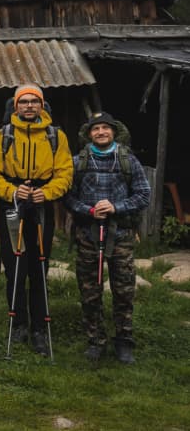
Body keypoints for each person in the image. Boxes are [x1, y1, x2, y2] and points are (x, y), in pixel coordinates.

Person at [0, 83, 73, 356]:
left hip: (41, 206)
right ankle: (19, 322)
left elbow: (65, 173)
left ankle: (39, 328)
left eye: (35, 101)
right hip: (13, 205)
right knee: (15, 266)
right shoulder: (3, 135)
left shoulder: (56, 136)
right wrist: (13, 191)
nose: (30, 106)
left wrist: (46, 193)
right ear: (16, 105)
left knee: (38, 267)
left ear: (42, 105)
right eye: (24, 102)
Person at [63, 112, 149, 364]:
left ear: (114, 131)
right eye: (96, 129)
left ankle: (124, 342)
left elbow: (143, 194)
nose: (101, 132)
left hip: (121, 235)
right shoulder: (77, 161)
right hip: (87, 234)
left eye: (105, 128)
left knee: (123, 290)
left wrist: (116, 207)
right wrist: (88, 210)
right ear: (88, 134)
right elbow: (67, 197)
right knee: (90, 290)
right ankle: (95, 341)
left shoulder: (127, 160)